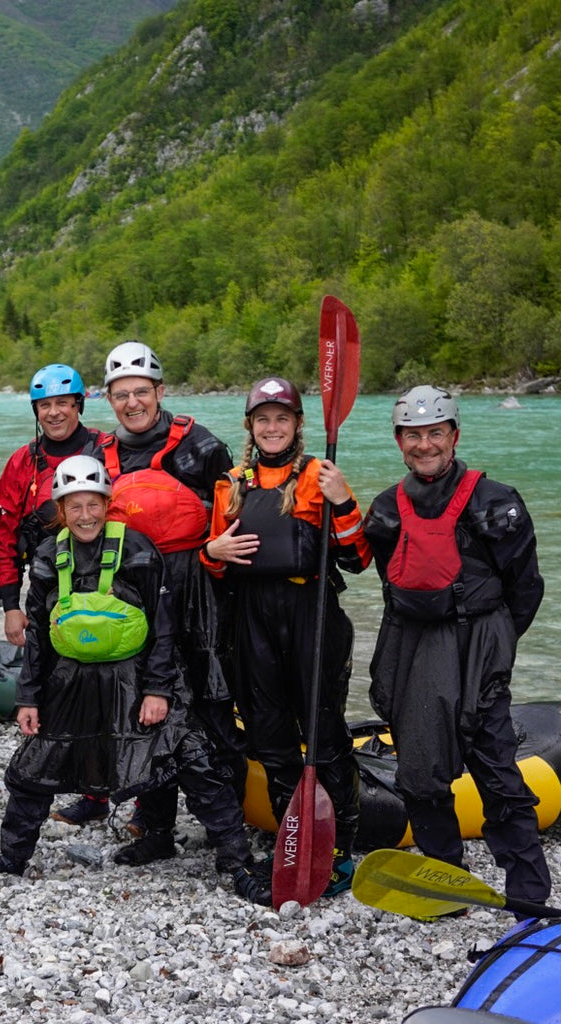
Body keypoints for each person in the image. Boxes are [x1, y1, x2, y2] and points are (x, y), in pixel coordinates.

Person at [0, 456, 271, 905]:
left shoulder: (139, 550)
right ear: (60, 511)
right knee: (32, 768)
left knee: (192, 758)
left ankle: (238, 863)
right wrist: (29, 697)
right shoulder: (47, 557)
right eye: (74, 506)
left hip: (136, 673)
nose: (85, 515)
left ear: (109, 504)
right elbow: (40, 636)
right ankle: (11, 857)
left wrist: (158, 690)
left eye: (93, 504)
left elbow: (164, 628)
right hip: (69, 679)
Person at [58, 340, 245, 863]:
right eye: (121, 395)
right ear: (109, 400)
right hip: (134, 595)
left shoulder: (203, 447)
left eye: (141, 391)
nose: (132, 402)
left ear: (160, 391)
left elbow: (234, 523)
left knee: (210, 708)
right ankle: (156, 828)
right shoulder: (97, 457)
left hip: (199, 593)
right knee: (144, 707)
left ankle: (227, 822)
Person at [363, 385, 550, 907]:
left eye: (435, 433)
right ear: (399, 441)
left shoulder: (497, 503)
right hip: (409, 647)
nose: (425, 445)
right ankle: (444, 879)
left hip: (478, 647)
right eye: (414, 435)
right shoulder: (385, 510)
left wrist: (493, 649)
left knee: (496, 770)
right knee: (419, 773)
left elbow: (526, 589)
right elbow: (388, 580)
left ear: (454, 435)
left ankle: (528, 896)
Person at [200, 377, 370, 896]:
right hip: (252, 617)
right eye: (263, 419)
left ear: (298, 425)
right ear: (250, 427)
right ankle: (290, 834)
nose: (272, 428)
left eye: (283, 418)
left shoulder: (322, 476)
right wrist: (212, 554)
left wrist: (341, 504)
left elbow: (357, 559)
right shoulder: (231, 483)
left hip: (311, 610)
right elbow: (213, 562)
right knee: (269, 733)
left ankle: (340, 843)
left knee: (323, 727)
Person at [0, 364, 104, 650]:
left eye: (62, 403)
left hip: (106, 585)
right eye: (45, 405)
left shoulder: (108, 449)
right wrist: (10, 607)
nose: (54, 413)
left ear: (78, 405)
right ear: (36, 411)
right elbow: (5, 536)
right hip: (46, 587)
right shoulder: (21, 462)